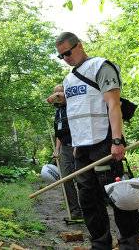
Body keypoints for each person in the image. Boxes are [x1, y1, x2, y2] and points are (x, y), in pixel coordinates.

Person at [55, 32, 139, 250]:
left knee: (118, 195)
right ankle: (100, 244)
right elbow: (76, 113)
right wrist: (75, 146)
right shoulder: (69, 79)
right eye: (61, 56)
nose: (66, 58)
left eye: (68, 52)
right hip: (81, 149)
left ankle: (129, 244)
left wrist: (117, 140)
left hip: (105, 142)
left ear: (79, 46)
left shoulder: (101, 67)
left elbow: (114, 105)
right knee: (88, 199)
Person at [46, 84, 83, 222]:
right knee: (66, 179)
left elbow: (79, 127)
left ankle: (89, 208)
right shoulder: (58, 111)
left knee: (82, 179)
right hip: (65, 149)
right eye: (55, 92)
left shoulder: (73, 106)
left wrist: (77, 145)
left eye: (60, 92)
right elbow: (59, 134)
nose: (58, 95)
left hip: (78, 146)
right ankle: (75, 211)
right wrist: (56, 149)